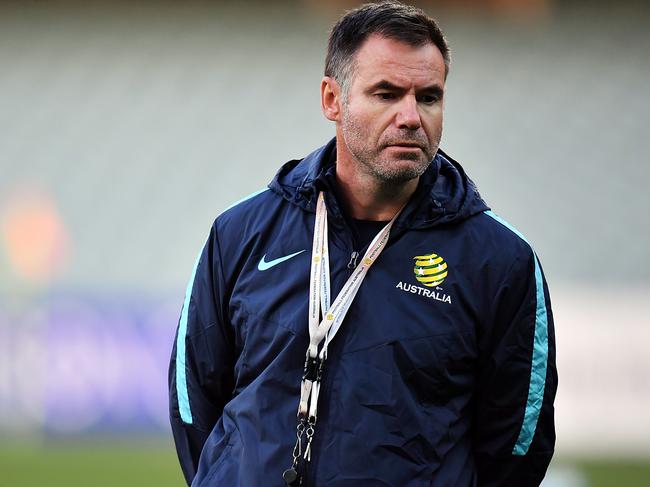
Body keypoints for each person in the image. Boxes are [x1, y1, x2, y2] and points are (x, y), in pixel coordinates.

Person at [169, 1, 557, 486]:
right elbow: (194, 404)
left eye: (429, 97)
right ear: (333, 99)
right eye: (387, 94)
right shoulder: (241, 233)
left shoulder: (499, 260)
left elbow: (517, 445)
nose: (411, 117)